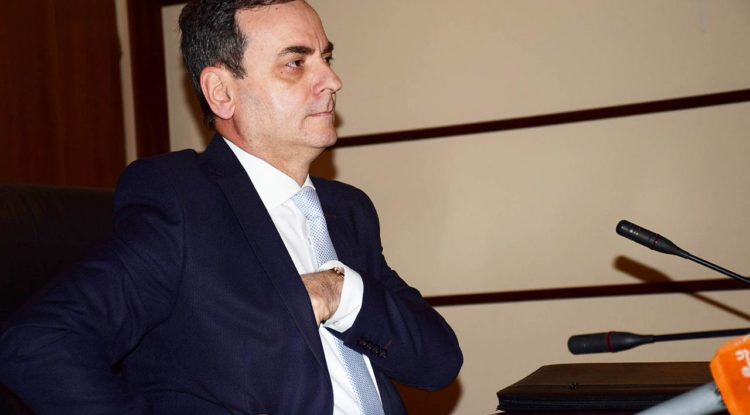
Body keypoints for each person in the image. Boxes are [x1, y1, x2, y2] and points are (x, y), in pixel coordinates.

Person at [0, 0, 462, 414]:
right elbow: (38, 342)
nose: (332, 80)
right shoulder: (182, 199)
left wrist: (338, 293)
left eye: (327, 58)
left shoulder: (348, 209)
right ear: (222, 92)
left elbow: (439, 362)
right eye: (296, 63)